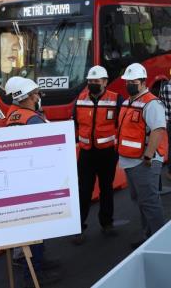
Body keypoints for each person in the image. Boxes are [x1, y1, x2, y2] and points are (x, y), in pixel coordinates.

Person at [3, 77, 60, 286]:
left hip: (22, 180)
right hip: (35, 181)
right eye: (34, 93)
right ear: (24, 97)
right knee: (36, 230)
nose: (38, 96)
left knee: (35, 230)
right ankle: (34, 275)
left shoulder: (13, 115)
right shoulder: (32, 120)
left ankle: (39, 263)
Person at [117, 63, 167, 247]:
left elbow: (158, 129)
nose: (129, 84)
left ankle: (159, 242)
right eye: (127, 81)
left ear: (143, 82)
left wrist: (148, 156)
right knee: (142, 201)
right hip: (130, 161)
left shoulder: (151, 103)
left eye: (133, 81)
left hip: (144, 162)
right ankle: (148, 237)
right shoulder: (128, 102)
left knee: (150, 202)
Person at [72, 66, 122, 245]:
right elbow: (74, 124)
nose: (92, 84)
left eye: (96, 81)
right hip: (86, 154)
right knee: (83, 191)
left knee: (106, 189)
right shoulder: (79, 100)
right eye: (90, 81)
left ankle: (107, 223)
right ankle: (78, 228)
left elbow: (121, 124)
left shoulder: (116, 99)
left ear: (105, 82)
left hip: (107, 153)